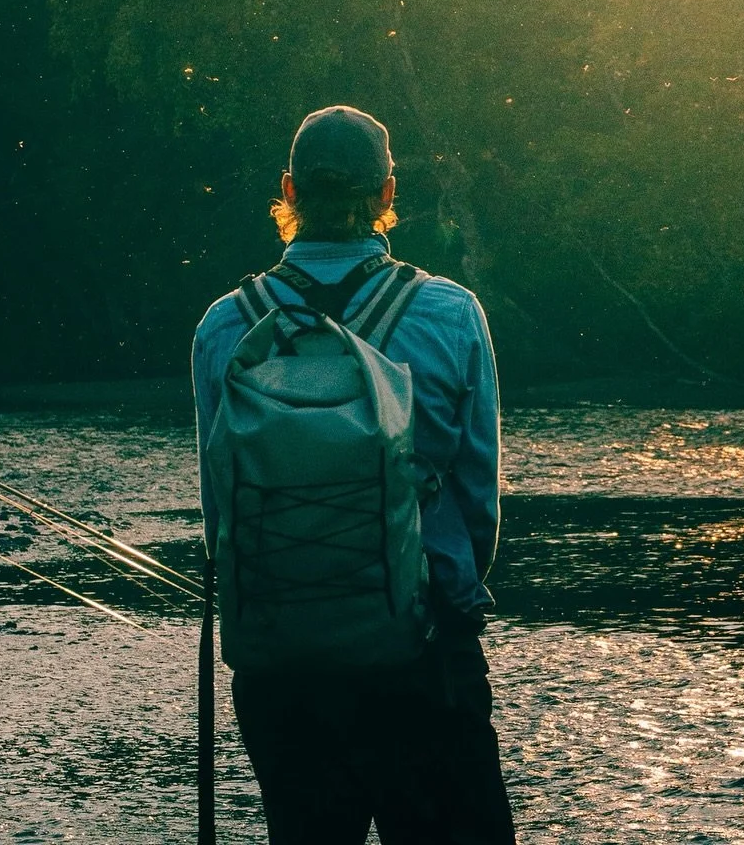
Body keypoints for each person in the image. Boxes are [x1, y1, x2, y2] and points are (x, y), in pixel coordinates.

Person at [192, 104, 516, 845]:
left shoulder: (223, 326)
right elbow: (477, 505)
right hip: (422, 654)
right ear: (388, 193)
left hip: (283, 664)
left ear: (289, 191)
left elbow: (222, 516)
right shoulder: (449, 315)